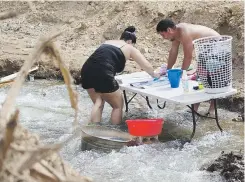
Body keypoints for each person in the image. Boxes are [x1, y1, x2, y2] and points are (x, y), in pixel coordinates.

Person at [80, 26, 160, 124]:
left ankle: (93, 129)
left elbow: (102, 58)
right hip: (104, 72)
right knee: (117, 106)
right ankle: (114, 130)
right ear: (130, 41)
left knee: (98, 102)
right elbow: (146, 66)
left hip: (86, 70)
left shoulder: (108, 42)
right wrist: (156, 75)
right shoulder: (129, 47)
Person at [156, 19, 220, 115]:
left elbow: (188, 57)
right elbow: (173, 52)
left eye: (163, 35)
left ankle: (212, 109)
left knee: (212, 78)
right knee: (200, 78)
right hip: (205, 49)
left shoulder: (184, 32)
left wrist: (182, 73)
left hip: (217, 45)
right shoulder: (175, 35)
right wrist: (168, 70)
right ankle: (195, 108)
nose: (163, 38)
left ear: (169, 30)